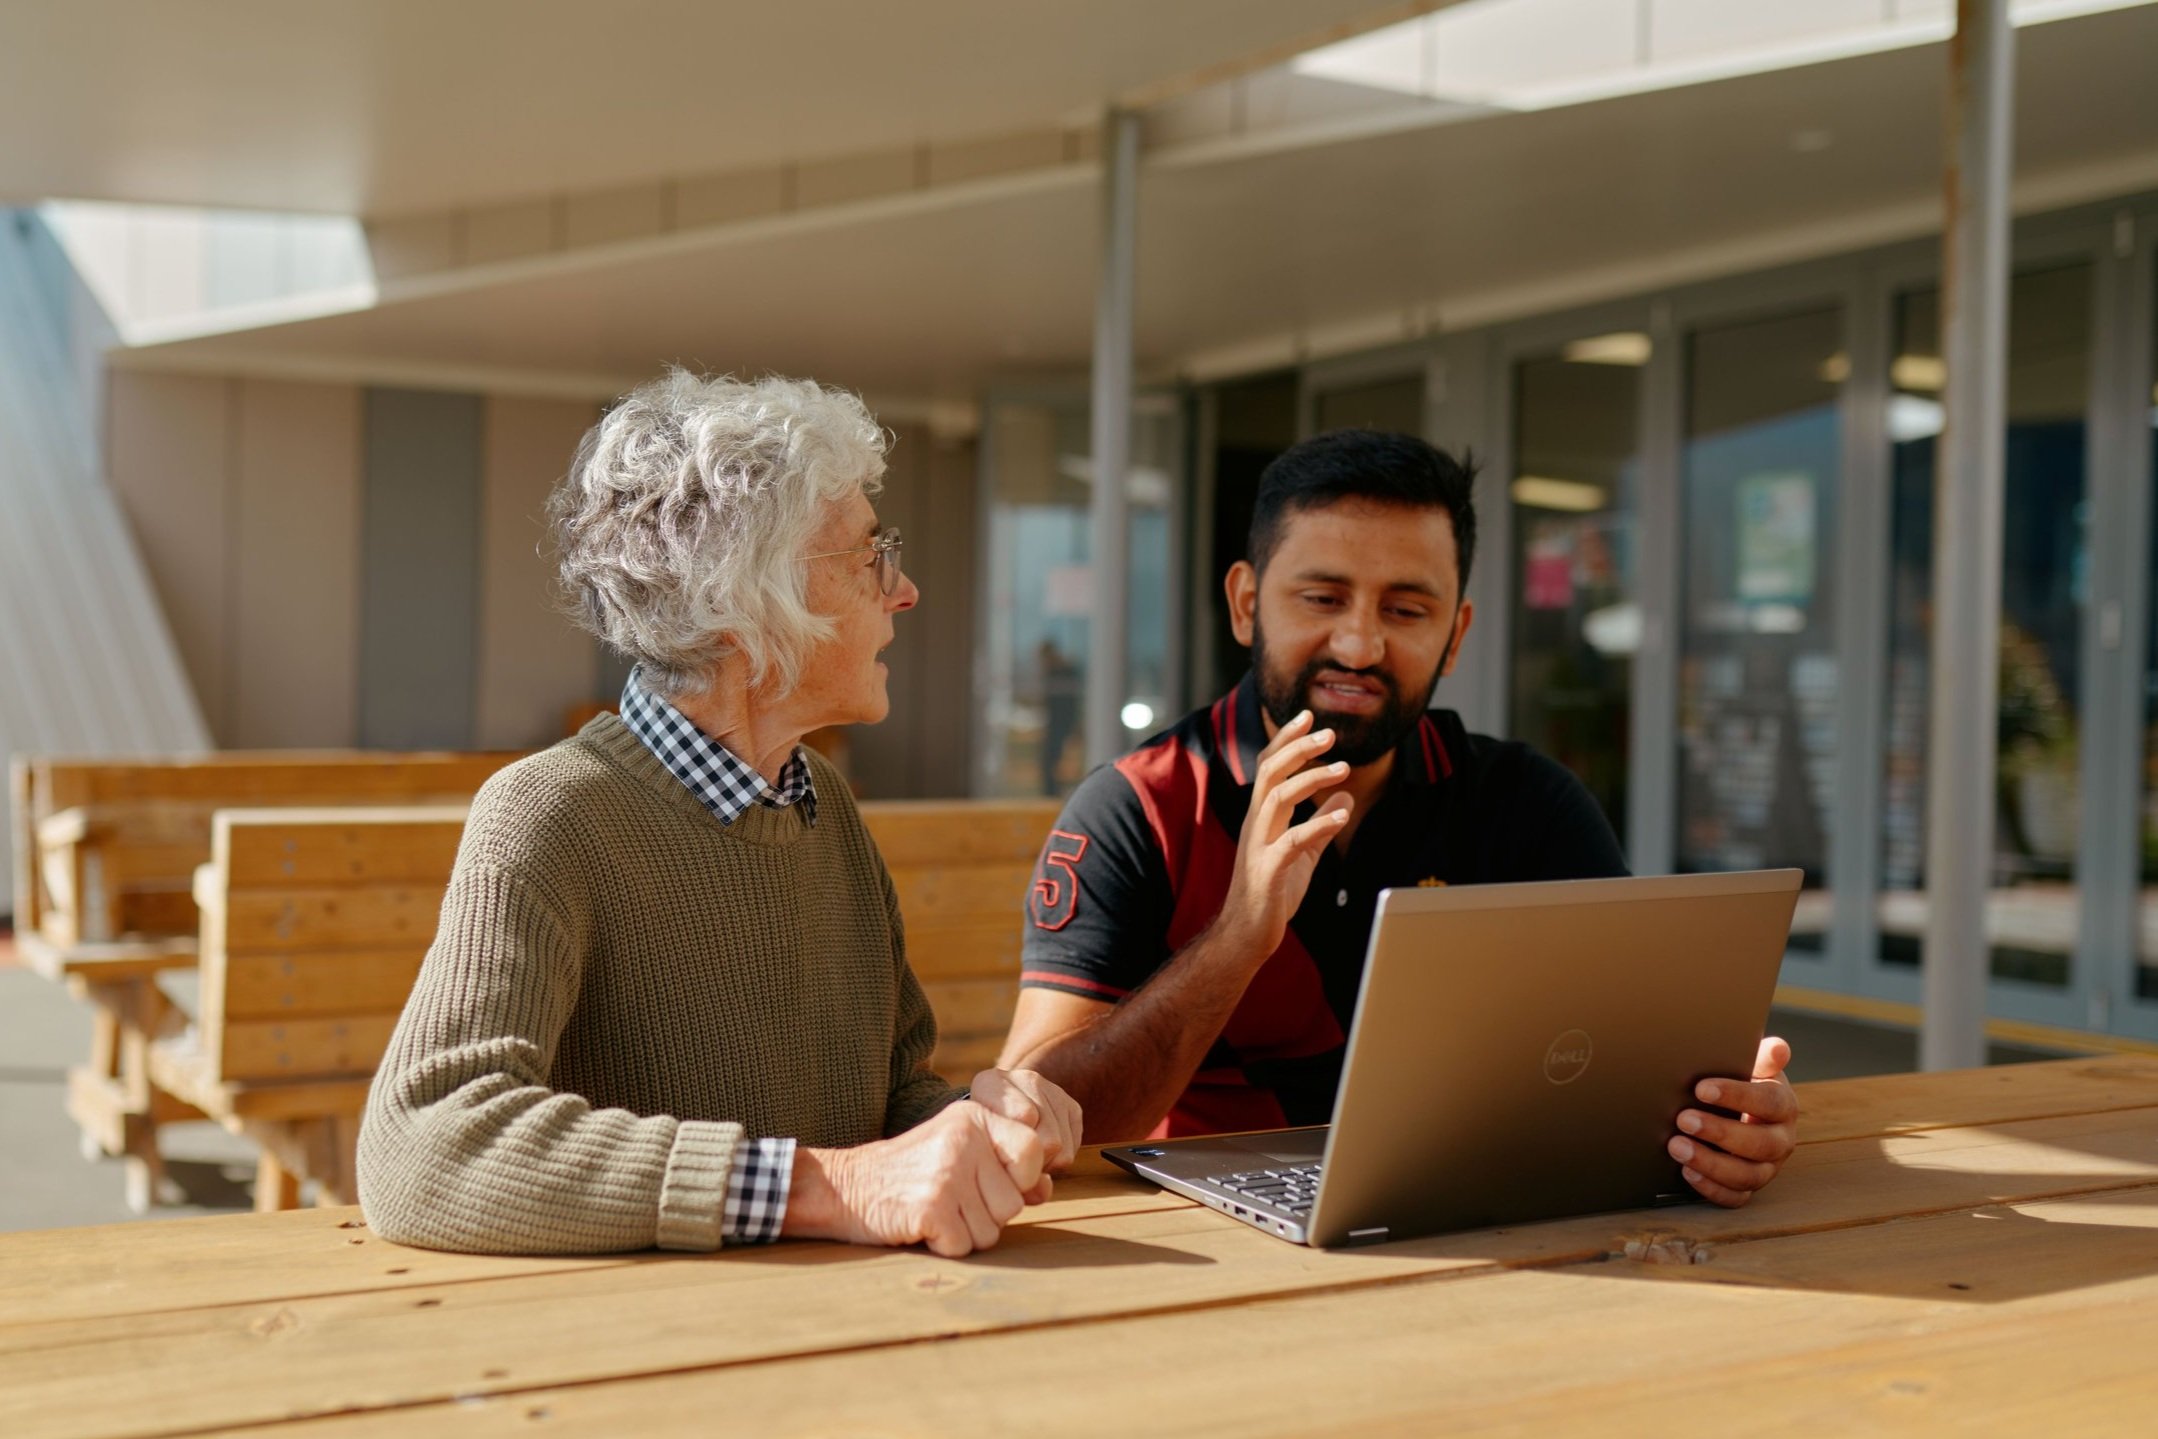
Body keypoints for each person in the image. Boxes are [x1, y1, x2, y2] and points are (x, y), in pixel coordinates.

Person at [359, 370, 1080, 1257]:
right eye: (869, 556)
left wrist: (976, 1123)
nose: (904, 590)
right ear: (751, 602)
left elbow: (887, 1103)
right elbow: (421, 1145)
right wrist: (822, 1189)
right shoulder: (549, 812)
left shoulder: (824, 805)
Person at [998, 429, 1796, 1209]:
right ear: (1246, 604)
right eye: (1323, 597)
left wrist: (1725, 1115)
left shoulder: (1528, 804)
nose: (1358, 643)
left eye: (1407, 609)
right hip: (1207, 1244)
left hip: (1470, 1216)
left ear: (1456, 637)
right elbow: (1035, 1113)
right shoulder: (1141, 807)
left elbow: (1651, 1048)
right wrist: (1238, 936)